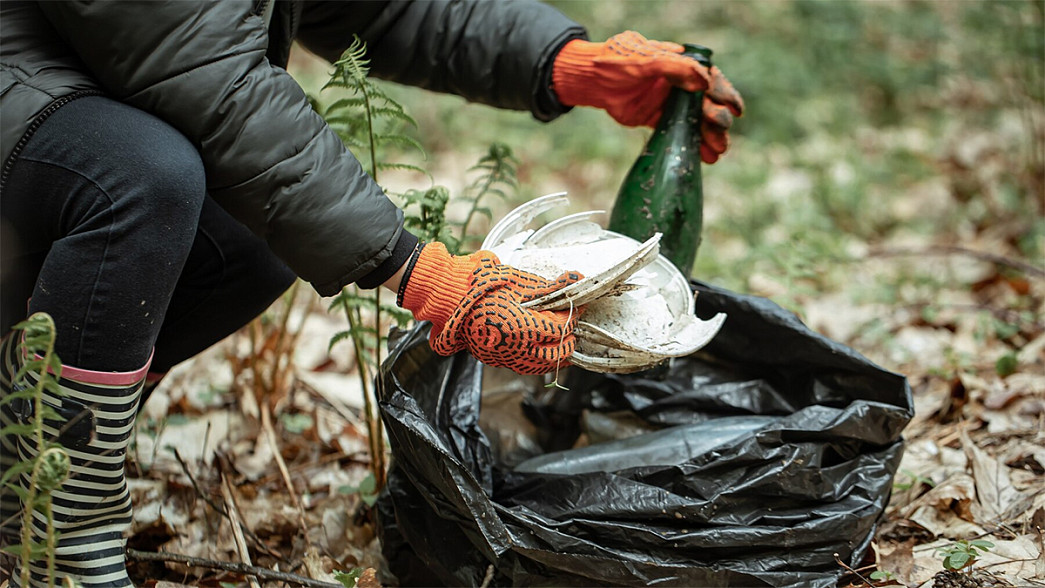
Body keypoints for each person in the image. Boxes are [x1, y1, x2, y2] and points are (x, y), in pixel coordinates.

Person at [0, 1, 744, 585]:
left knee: (245, 244)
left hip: (59, 74)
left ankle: (24, 448)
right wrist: (418, 272)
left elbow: (389, 8)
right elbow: (206, 72)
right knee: (143, 180)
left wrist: (564, 62)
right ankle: (56, 530)